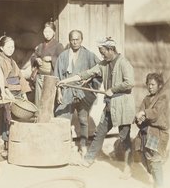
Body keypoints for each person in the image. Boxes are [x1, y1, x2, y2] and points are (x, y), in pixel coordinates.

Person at [57, 37, 135, 177]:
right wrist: (65, 81)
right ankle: (88, 160)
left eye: (103, 51)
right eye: (100, 52)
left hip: (122, 106)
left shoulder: (123, 63)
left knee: (124, 137)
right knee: (99, 132)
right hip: (110, 106)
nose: (101, 55)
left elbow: (129, 83)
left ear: (111, 50)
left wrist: (114, 89)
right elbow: (85, 74)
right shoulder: (103, 64)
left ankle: (128, 168)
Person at [54, 30, 101, 155]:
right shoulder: (63, 56)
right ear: (69, 41)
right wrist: (59, 93)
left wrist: (89, 79)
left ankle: (83, 145)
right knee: (63, 119)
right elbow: (57, 77)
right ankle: (66, 144)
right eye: (72, 39)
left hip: (82, 91)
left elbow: (99, 69)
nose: (75, 42)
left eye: (77, 39)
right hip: (66, 91)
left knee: (83, 119)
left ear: (82, 39)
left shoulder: (89, 55)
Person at [134, 73, 170, 188]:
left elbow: (155, 113)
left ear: (159, 85)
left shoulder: (162, 98)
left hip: (156, 132)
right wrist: (139, 119)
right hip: (145, 131)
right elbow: (141, 112)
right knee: (142, 154)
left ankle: (159, 186)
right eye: (148, 84)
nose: (150, 87)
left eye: (153, 84)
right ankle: (156, 169)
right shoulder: (147, 99)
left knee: (154, 159)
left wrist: (144, 113)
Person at [0, 35, 32, 141]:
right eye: (8, 47)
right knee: (6, 117)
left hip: (17, 92)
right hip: (7, 92)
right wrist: (8, 93)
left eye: (12, 47)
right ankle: (4, 140)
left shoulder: (12, 60)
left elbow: (20, 77)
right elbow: (1, 78)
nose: (11, 49)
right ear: (2, 48)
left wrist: (24, 93)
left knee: (16, 117)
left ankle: (13, 140)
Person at [30, 21, 64, 106]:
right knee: (38, 101)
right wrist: (37, 59)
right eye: (45, 32)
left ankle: (47, 118)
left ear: (54, 33)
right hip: (40, 77)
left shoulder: (58, 46)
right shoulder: (41, 46)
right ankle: (38, 117)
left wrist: (52, 58)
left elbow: (62, 61)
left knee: (48, 102)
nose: (47, 34)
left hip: (51, 77)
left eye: (49, 31)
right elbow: (33, 56)